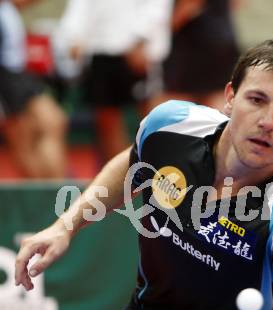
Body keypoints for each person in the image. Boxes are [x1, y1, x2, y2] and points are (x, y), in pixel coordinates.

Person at [15, 37, 273, 310]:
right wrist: (65, 227)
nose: (268, 121)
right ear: (230, 97)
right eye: (256, 99)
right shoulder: (171, 126)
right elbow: (134, 164)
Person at [56, 0, 173, 163]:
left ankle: (161, 176)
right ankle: (123, 182)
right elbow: (80, 7)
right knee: (107, 123)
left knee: (154, 120)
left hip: (140, 52)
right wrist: (74, 37)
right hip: (99, 52)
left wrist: (141, 39)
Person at [0, 0, 67, 179]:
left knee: (53, 121)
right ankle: (41, 195)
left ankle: (55, 188)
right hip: (6, 80)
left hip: (20, 74)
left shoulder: (8, 7)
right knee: (22, 140)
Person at [154, 0, 241, 111]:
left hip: (194, 47)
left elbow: (189, 5)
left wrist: (161, 32)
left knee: (178, 110)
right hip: (220, 40)